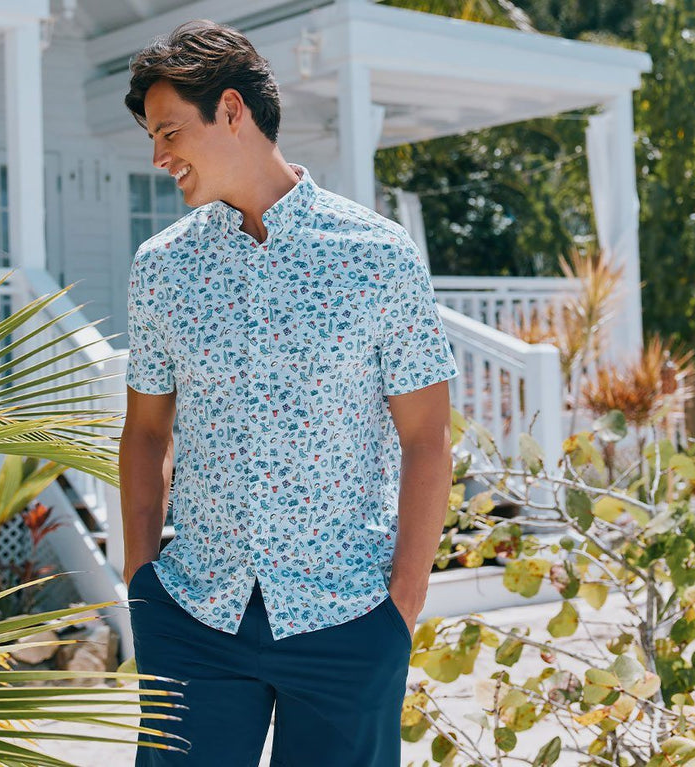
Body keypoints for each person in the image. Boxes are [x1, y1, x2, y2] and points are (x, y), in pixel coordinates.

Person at [118, 19, 459, 767]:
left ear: (232, 111)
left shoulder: (378, 258)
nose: (158, 155)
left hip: (348, 622)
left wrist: (401, 604)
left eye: (170, 130)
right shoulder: (162, 268)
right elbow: (146, 432)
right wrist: (143, 584)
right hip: (194, 618)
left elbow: (427, 436)